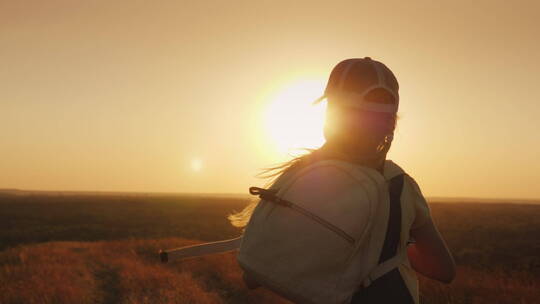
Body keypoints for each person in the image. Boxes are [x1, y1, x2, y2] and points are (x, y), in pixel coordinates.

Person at [229, 57, 456, 304]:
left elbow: (252, 277)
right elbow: (443, 269)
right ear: (390, 123)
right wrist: (389, 247)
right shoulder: (400, 187)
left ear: (331, 114)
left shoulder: (301, 174)